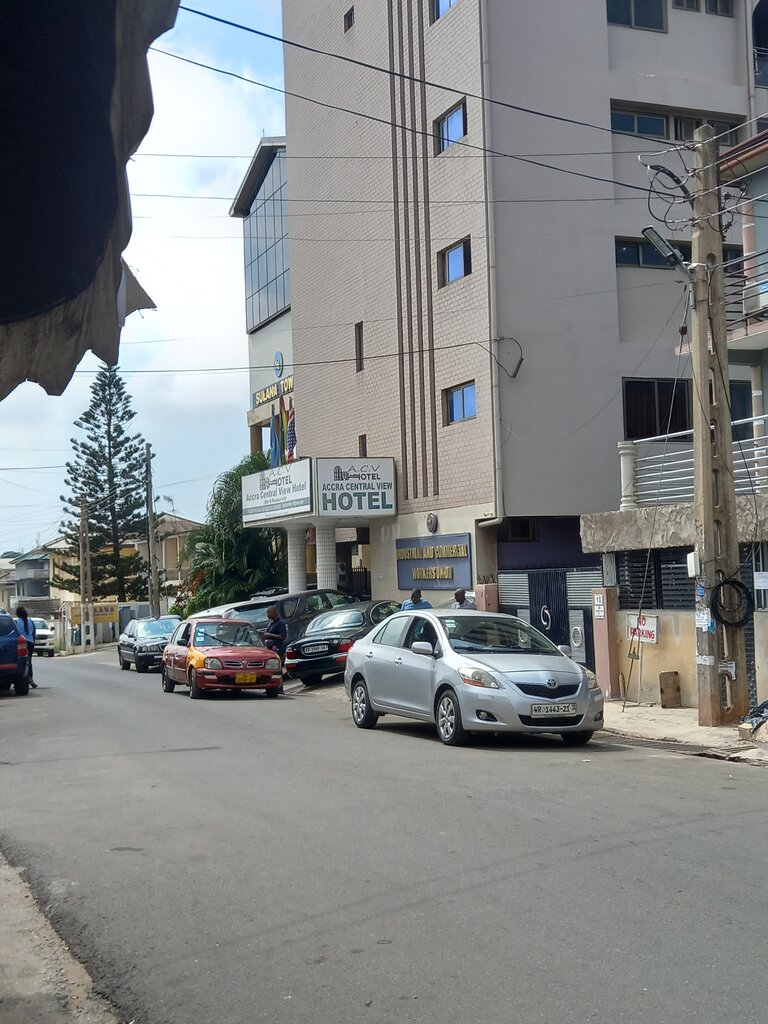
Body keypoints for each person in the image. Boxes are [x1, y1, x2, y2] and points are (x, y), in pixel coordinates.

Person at [262, 605, 287, 694]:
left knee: (278, 669)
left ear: (274, 612)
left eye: (269, 612)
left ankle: (279, 688)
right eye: (267, 612)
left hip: (278, 648)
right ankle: (271, 687)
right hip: (270, 649)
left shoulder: (280, 623)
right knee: (270, 669)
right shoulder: (270, 622)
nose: (267, 614)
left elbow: (283, 636)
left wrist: (270, 635)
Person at [14, 605, 37, 687]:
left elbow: (16, 634)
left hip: (22, 644)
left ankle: (23, 678)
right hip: (30, 643)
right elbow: (34, 632)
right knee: (29, 662)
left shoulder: (16, 622)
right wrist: (33, 642)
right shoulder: (30, 621)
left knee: (22, 662)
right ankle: (30, 678)